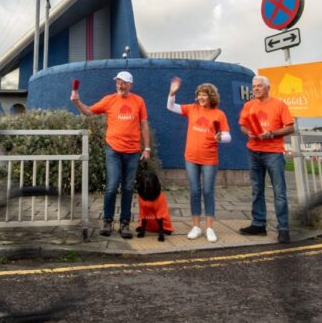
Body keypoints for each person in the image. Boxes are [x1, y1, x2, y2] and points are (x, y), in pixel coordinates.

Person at [71, 71, 151, 238]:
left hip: (133, 151)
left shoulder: (139, 101)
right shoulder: (109, 100)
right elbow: (89, 112)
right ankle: (107, 221)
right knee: (112, 186)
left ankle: (124, 224)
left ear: (131, 84)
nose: (120, 85)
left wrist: (147, 148)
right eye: (118, 82)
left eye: (123, 83)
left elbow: (144, 125)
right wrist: (77, 102)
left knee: (128, 188)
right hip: (113, 149)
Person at [167, 79, 231, 243]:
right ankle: (196, 226)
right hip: (191, 158)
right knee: (195, 191)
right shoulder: (192, 109)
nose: (201, 98)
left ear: (211, 97)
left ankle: (209, 228)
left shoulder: (219, 114)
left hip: (209, 159)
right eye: (199, 95)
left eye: (204, 95)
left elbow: (227, 136)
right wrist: (172, 94)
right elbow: (171, 107)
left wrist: (220, 137)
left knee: (208, 191)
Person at [238, 76, 295, 243]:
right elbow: (242, 125)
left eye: (259, 86)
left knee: (279, 192)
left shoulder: (279, 105)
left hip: (273, 153)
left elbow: (290, 127)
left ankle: (283, 228)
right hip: (253, 151)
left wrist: (271, 133)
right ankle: (258, 224)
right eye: (254, 86)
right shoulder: (248, 105)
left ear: (268, 88)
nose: (255, 89)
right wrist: (247, 132)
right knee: (257, 190)